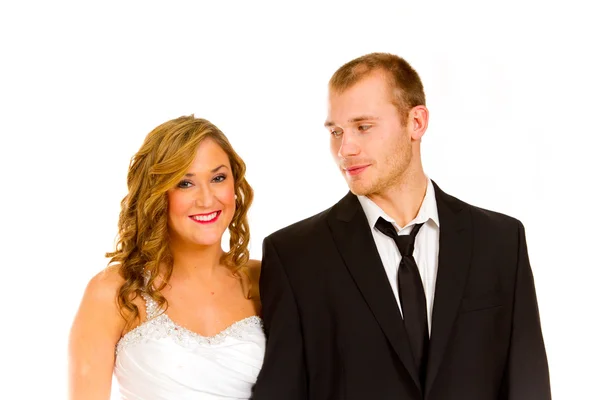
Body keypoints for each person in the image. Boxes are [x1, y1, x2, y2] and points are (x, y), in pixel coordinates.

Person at [252, 53, 551, 399]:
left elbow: (528, 384)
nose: (344, 149)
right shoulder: (294, 256)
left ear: (416, 122)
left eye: (363, 127)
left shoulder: (501, 242)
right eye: (336, 131)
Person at [69, 115, 264, 400]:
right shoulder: (113, 292)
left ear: (235, 186)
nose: (207, 199)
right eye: (185, 183)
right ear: (157, 194)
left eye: (218, 178)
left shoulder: (266, 280)